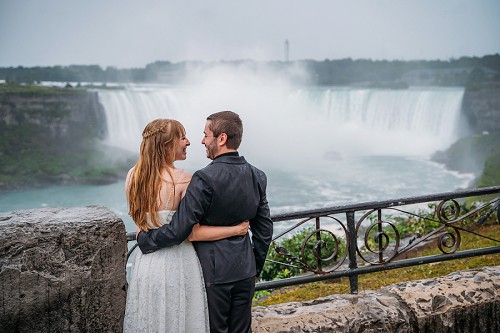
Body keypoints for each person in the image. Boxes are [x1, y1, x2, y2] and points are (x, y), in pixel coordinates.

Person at [137, 111, 274, 332]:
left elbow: (179, 230)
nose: (201, 141)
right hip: (245, 271)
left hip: (212, 273)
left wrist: (146, 240)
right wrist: (254, 266)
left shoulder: (204, 178)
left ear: (221, 139)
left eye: (206, 135)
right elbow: (264, 229)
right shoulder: (257, 175)